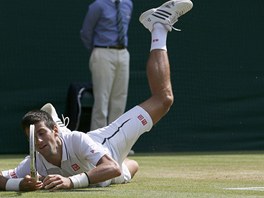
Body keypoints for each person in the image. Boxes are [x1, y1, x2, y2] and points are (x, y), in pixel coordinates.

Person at [0, 0, 193, 191]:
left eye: (41, 134)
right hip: (102, 170)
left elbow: (112, 167)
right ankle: (58, 128)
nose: (39, 142)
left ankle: (158, 26)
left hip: (109, 144)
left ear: (53, 134)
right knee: (131, 168)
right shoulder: (33, 162)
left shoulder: (77, 140)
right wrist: (17, 183)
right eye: (33, 138)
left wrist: (70, 181)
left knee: (164, 100)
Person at [80, 0, 133, 131]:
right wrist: (98, 50)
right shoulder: (98, 5)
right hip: (102, 51)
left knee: (120, 98)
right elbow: (86, 32)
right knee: (101, 99)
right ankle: (97, 142)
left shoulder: (128, 4)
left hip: (123, 53)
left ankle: (116, 141)